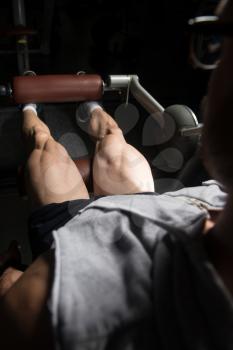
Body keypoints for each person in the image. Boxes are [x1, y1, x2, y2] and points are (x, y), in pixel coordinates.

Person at [0, 0, 232, 349]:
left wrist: (9, 274)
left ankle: (29, 106)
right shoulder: (219, 193)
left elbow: (12, 292)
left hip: (69, 234)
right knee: (113, 137)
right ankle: (89, 103)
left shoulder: (55, 309)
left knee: (44, 143)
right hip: (145, 204)